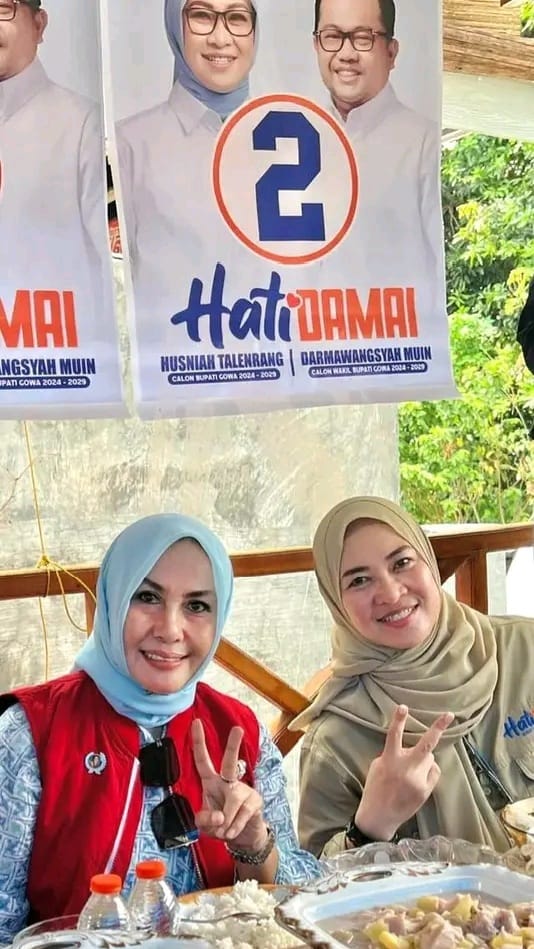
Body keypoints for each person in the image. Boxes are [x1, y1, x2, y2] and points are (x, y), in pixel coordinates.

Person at [0, 513, 320, 942]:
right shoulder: (30, 733)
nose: (170, 630)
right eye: (147, 597)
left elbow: (299, 902)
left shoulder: (238, 731)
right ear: (113, 599)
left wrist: (254, 843)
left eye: (196, 605)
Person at [293, 496, 534, 858]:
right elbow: (311, 880)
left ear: (428, 561)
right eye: (359, 580)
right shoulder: (336, 740)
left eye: (402, 563)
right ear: (336, 601)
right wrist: (369, 827)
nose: (391, 593)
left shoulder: (525, 650)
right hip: (449, 898)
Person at [115, 0, 262, 352]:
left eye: (237, 18)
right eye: (201, 16)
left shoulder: (294, 142)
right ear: (174, 27)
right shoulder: (128, 145)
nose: (220, 38)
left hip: (279, 375)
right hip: (174, 376)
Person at [312, 0, 444, 317]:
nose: (346, 53)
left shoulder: (423, 143)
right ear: (316, 45)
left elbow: (435, 270)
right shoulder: (292, 138)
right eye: (332, 36)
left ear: (391, 52)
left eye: (363, 38)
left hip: (392, 338)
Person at [0, 0, 112, 333]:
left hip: (55, 353)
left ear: (39, 24)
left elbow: (115, 265)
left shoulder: (85, 125)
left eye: (2, 8)